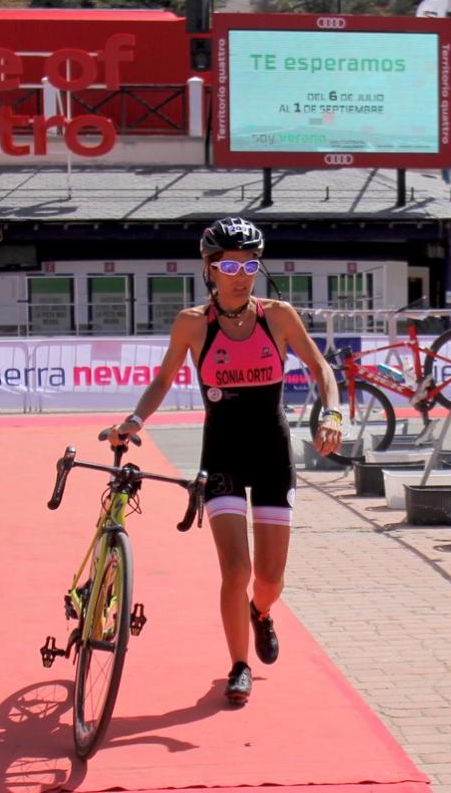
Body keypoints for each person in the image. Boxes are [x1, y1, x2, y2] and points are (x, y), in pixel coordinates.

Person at [107, 217, 342, 706]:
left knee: (269, 579)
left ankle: (262, 612)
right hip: (223, 454)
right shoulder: (192, 323)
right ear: (210, 269)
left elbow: (321, 367)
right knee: (236, 570)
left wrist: (332, 413)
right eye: (230, 266)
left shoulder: (278, 316)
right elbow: (163, 380)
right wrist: (135, 419)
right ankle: (239, 665)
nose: (241, 276)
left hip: (272, 453)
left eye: (250, 265)